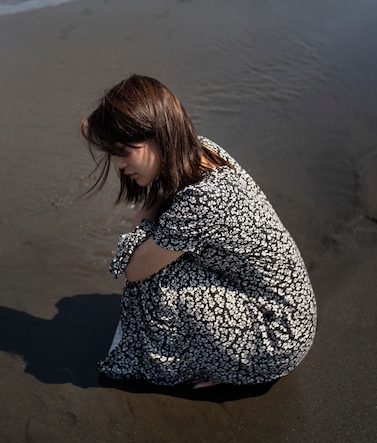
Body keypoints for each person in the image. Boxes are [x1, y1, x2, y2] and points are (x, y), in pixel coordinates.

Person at [81, 74, 316, 389]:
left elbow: (134, 269)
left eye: (125, 151)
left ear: (159, 136)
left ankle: (226, 365)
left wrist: (147, 211)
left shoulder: (201, 201)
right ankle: (215, 354)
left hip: (275, 338)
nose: (121, 164)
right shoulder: (203, 150)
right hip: (291, 314)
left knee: (154, 281)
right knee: (163, 258)